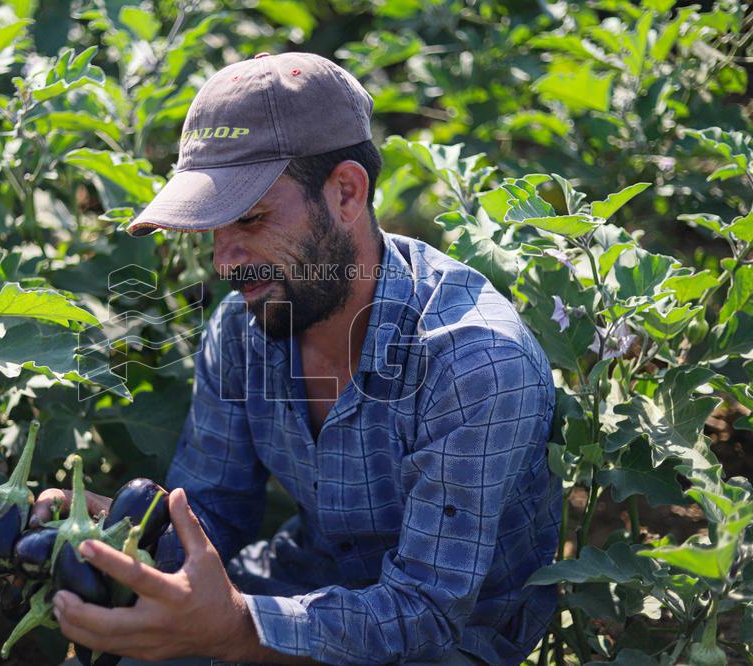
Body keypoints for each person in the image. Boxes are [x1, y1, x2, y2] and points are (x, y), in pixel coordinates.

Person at [34, 52, 561, 665]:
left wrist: (235, 630)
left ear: (344, 193)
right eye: (211, 230)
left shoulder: (473, 362)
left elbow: (427, 610)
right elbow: (214, 508)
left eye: (250, 219)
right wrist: (132, 535)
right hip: (299, 584)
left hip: (448, 641)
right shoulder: (243, 328)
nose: (225, 263)